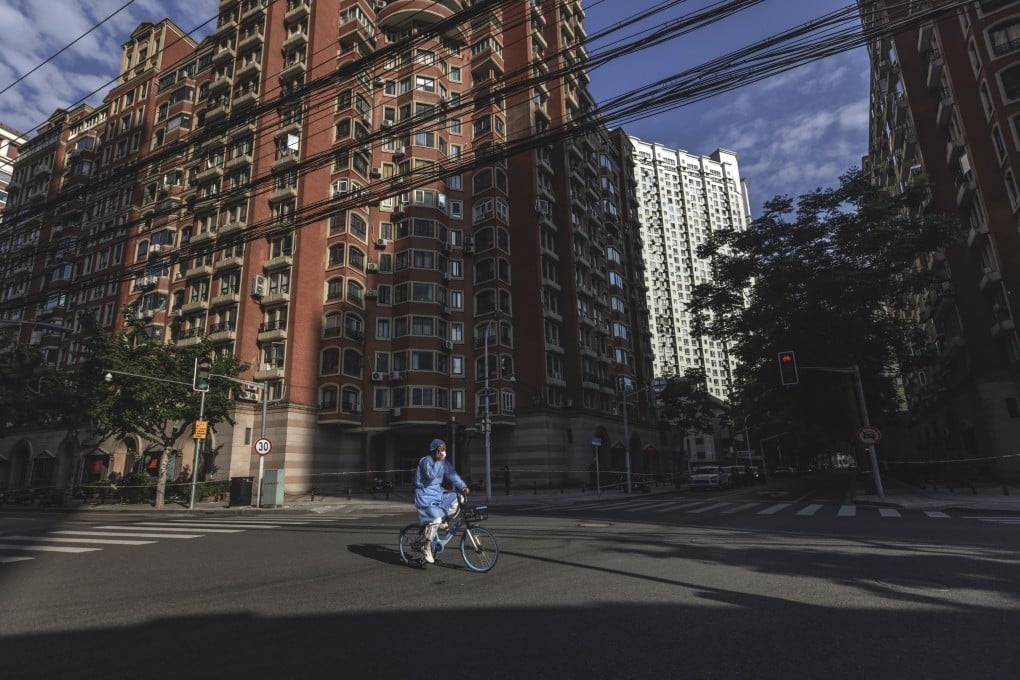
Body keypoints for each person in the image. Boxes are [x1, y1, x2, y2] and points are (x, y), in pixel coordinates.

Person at [414, 438, 469, 564]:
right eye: (441, 449)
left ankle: (446, 520)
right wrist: (439, 461)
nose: (444, 452)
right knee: (435, 519)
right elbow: (430, 475)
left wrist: (463, 486)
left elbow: (452, 474)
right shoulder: (425, 461)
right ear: (435, 451)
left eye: (445, 449)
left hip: (438, 492)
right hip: (424, 495)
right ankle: (426, 547)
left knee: (459, 498)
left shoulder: (443, 462)